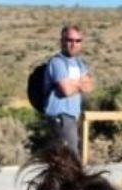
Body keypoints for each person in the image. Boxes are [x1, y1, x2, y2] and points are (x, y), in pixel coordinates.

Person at [43, 24, 93, 157]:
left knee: (62, 160)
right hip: (60, 117)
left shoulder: (79, 63)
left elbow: (89, 86)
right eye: (69, 40)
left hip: (72, 117)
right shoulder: (57, 63)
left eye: (78, 40)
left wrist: (72, 83)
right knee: (70, 159)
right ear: (62, 41)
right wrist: (79, 84)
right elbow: (66, 90)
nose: (73, 44)